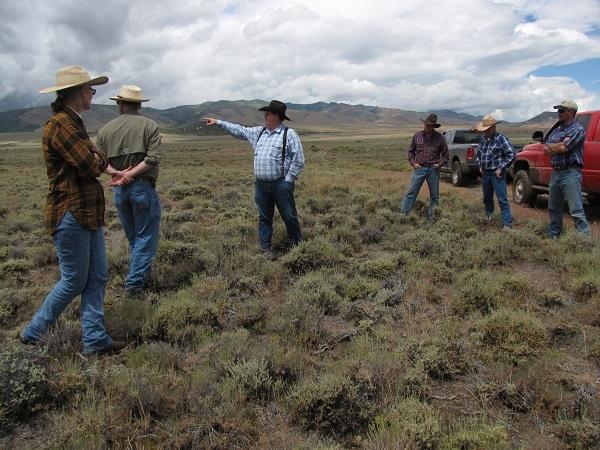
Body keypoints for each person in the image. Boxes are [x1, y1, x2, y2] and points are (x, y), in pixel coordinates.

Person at [20, 66, 124, 355]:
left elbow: (97, 160)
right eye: (90, 89)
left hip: (85, 213)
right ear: (78, 92)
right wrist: (95, 156)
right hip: (70, 212)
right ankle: (33, 332)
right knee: (75, 280)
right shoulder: (60, 125)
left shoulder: (74, 123)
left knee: (97, 276)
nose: (93, 93)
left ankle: (95, 340)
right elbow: (92, 165)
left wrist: (95, 156)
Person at [203, 100, 305, 256]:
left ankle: (298, 248)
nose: (265, 116)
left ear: (276, 116)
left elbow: (298, 160)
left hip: (281, 185)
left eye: (268, 113)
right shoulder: (259, 132)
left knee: (289, 217)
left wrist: (288, 180)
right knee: (264, 218)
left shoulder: (289, 134)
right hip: (261, 186)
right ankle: (266, 251)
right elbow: (239, 130)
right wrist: (219, 122)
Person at [97, 85, 162, 295]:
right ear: (139, 104)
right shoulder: (149, 125)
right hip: (142, 187)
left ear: (120, 104)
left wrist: (116, 173)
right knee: (146, 238)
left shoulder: (105, 130)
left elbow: (97, 161)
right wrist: (130, 175)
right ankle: (134, 286)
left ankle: (141, 278)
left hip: (120, 190)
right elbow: (152, 159)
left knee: (135, 239)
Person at [543, 100, 589, 238]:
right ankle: (553, 236)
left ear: (571, 112)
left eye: (562, 110)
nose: (559, 113)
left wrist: (555, 146)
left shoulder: (577, 129)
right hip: (556, 172)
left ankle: (583, 241)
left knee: (576, 209)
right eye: (558, 110)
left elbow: (564, 147)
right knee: (553, 208)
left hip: (570, 172)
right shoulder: (557, 130)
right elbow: (546, 150)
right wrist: (557, 145)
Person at [400, 113, 449, 220]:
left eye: (430, 125)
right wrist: (413, 163)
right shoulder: (417, 136)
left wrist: (439, 164)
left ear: (433, 126)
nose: (427, 127)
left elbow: (446, 155)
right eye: (426, 124)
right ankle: (403, 215)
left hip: (433, 169)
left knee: (434, 196)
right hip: (419, 168)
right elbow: (410, 151)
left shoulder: (440, 138)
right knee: (411, 193)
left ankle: (433, 217)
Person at [474, 115, 516, 230]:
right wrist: (480, 166)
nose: (486, 132)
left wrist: (501, 168)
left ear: (493, 128)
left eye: (487, 129)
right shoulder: (483, 139)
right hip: (485, 173)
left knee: (502, 199)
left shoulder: (501, 139)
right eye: (484, 129)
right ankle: (489, 218)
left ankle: (507, 224)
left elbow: (511, 154)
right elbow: (478, 154)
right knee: (487, 198)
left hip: (497, 174)